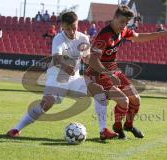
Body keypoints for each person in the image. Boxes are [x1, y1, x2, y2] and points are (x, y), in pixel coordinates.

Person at [6, 11, 118, 140]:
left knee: (99, 90)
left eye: (74, 28)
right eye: (68, 29)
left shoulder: (83, 38)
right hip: (57, 77)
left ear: (78, 24)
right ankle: (16, 129)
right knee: (47, 103)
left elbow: (88, 58)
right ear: (62, 27)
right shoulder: (58, 38)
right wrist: (65, 66)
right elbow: (57, 58)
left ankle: (103, 130)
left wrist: (107, 73)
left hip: (74, 79)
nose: (71, 32)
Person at [86, 5, 167, 139]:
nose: (124, 25)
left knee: (136, 99)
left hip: (113, 70)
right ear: (114, 18)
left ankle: (128, 125)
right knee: (124, 101)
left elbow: (139, 37)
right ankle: (117, 129)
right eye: (122, 22)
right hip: (98, 73)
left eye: (127, 23)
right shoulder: (104, 35)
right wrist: (109, 75)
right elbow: (92, 60)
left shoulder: (123, 31)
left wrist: (162, 34)